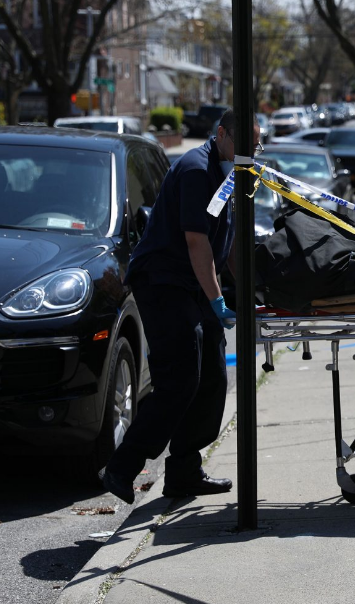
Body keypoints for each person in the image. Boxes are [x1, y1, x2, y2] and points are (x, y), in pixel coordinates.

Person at [100, 109, 241, 504]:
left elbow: (228, 241)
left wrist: (250, 290)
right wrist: (216, 300)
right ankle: (121, 467)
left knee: (212, 377)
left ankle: (184, 471)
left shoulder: (231, 175)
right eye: (242, 143)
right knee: (180, 378)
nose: (250, 152)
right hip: (163, 281)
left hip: (193, 283)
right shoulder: (198, 170)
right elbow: (197, 243)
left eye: (256, 144)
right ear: (221, 134)